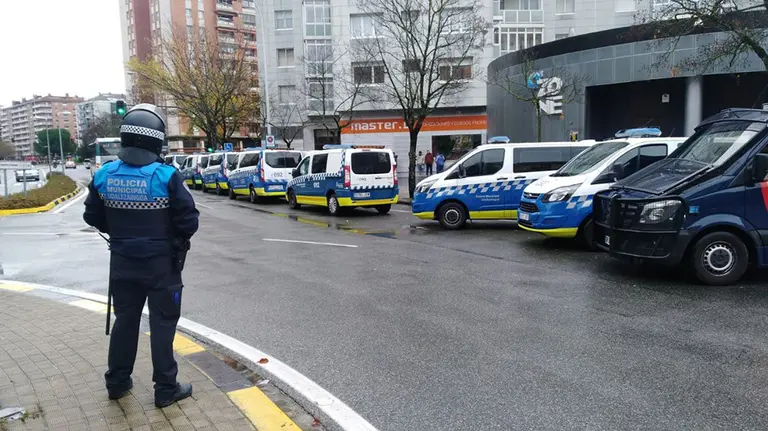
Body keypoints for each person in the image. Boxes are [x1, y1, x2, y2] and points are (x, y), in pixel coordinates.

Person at [83, 104, 200, 408]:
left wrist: (121, 232)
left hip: (122, 262)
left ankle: (117, 383)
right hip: (162, 265)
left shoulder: (105, 174)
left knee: (125, 321)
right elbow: (189, 221)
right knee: (162, 324)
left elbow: (92, 216)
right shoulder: (166, 175)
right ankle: (165, 389)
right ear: (155, 140)